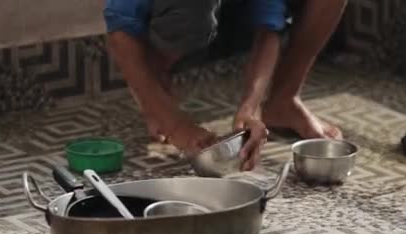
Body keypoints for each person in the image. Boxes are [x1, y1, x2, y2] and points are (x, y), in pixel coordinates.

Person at [104, 0, 347, 171]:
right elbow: (120, 33)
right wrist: (176, 125)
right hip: (178, 15)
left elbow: (268, 27)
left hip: (228, 15)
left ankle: (284, 101)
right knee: (191, 14)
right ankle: (157, 95)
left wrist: (251, 107)